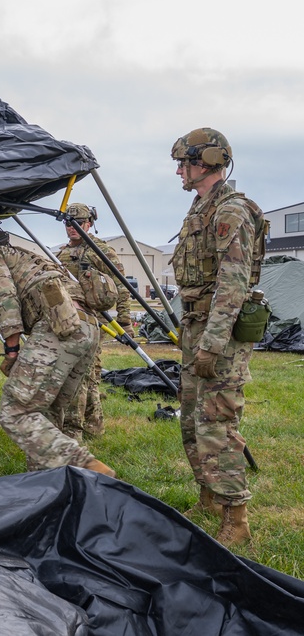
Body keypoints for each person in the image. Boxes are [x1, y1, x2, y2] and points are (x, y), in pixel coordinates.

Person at [0, 225, 116, 477]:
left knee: (16, 410)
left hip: (59, 326)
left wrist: (11, 350)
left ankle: (81, 464)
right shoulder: (27, 257)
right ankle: (51, 483)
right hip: (88, 329)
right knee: (47, 410)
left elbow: (3, 299)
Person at [170, 127, 266, 546]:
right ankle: (209, 497)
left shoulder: (230, 211)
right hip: (198, 326)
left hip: (219, 333)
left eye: (183, 164)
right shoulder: (199, 209)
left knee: (216, 423)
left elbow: (233, 282)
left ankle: (237, 519)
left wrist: (212, 343)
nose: (178, 172)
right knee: (191, 419)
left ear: (205, 162)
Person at [55, 203, 133, 439]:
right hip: (68, 322)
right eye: (69, 223)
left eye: (79, 223)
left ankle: (86, 427)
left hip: (95, 322)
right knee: (74, 374)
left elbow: (121, 285)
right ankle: (90, 425)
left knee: (87, 375)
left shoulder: (101, 251)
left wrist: (125, 319)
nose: (73, 228)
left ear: (90, 224)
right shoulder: (60, 254)